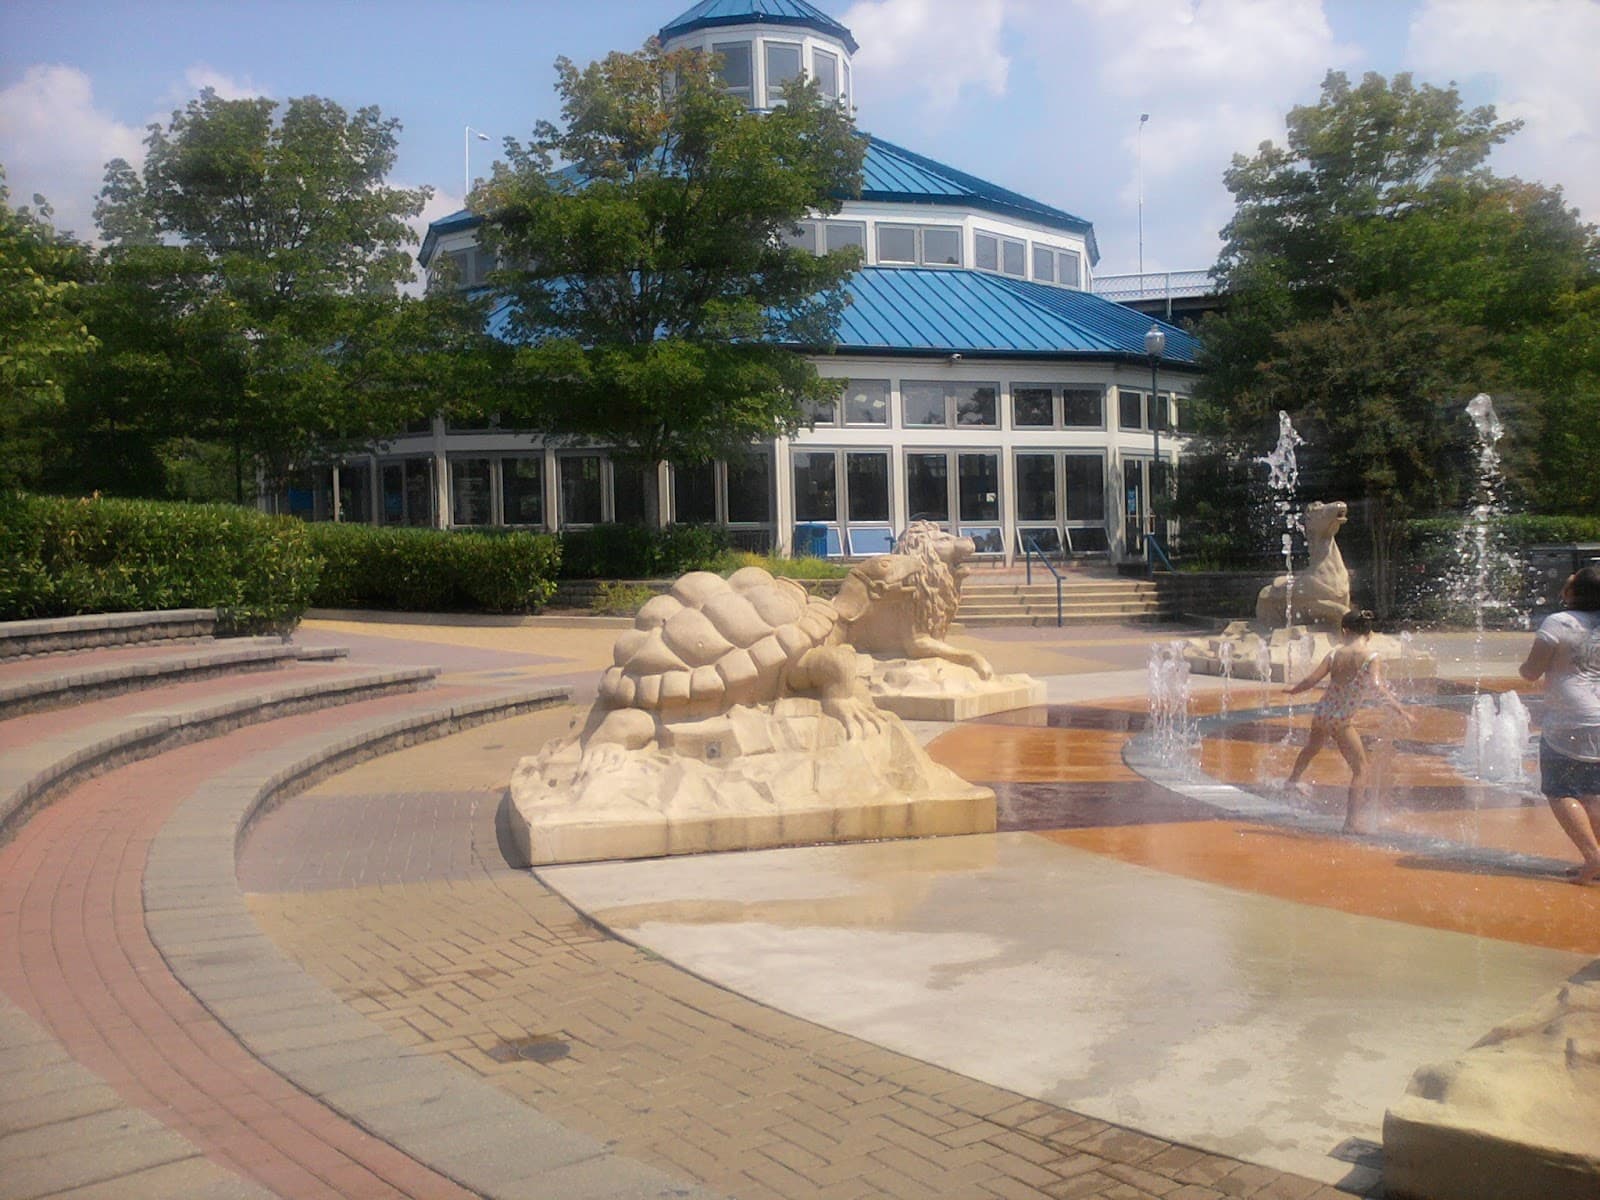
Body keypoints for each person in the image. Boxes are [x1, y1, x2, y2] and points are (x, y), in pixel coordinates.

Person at [1282, 609, 1413, 834]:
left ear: (1345, 630)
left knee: (1312, 747)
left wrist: (1294, 690)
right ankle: (1351, 822)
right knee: (1361, 769)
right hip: (1342, 720)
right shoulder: (1371, 657)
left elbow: (1312, 679)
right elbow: (1377, 687)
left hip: (1322, 712)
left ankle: (1293, 780)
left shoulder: (1334, 654)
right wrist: (1400, 710)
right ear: (1369, 633)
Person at [1518, 566, 1600, 885]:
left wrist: (1525, 668)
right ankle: (1596, 859)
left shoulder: (1559, 622)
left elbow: (1531, 671)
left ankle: (1593, 857)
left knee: (1559, 789)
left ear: (1574, 591)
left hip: (1569, 718)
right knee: (1593, 791)